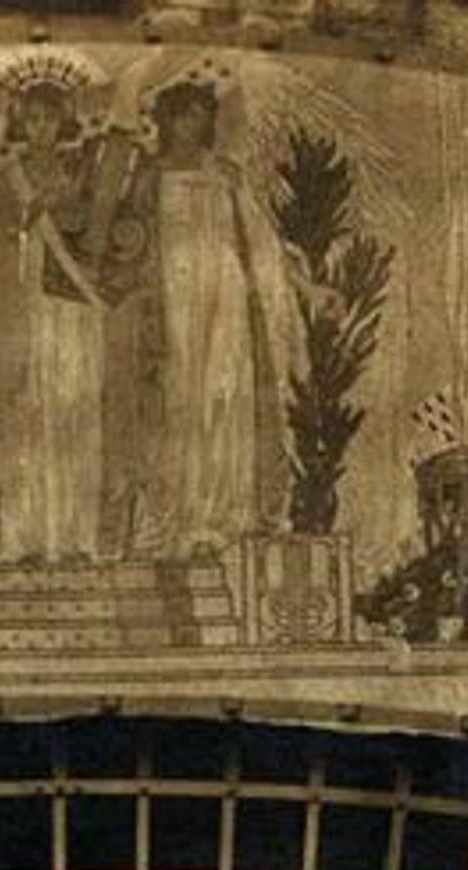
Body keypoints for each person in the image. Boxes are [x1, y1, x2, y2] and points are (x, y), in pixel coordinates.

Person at [101, 75, 294, 562]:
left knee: (224, 392)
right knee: (179, 398)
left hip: (224, 293)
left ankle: (222, 514)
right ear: (168, 119)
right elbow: (125, 239)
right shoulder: (150, 174)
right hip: (173, 298)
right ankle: (178, 516)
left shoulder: (226, 173)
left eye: (201, 115)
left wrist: (298, 284)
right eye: (184, 113)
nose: (194, 123)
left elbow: (260, 240)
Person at [0, 62, 118, 563]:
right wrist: (23, 221)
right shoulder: (7, 178)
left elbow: (104, 231)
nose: (41, 127)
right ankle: (28, 538)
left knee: (75, 408)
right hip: (27, 304)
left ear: (64, 121)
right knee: (29, 414)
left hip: (75, 302)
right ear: (20, 121)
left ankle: (76, 537)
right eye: (32, 118)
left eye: (49, 117)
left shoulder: (84, 170)